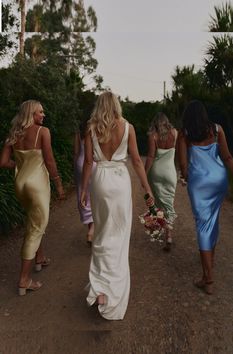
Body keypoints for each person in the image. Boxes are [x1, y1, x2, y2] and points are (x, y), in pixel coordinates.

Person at [80, 91, 153, 320]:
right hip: (120, 181)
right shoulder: (128, 127)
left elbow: (89, 162)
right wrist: (147, 189)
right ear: (117, 105)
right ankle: (110, 290)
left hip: (100, 180)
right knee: (119, 236)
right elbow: (137, 161)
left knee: (102, 235)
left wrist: (83, 189)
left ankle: (100, 288)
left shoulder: (91, 129)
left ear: (99, 106)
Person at [0, 100, 65, 295]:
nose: (43, 115)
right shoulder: (42, 132)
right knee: (37, 227)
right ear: (31, 114)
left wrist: (21, 167)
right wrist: (59, 184)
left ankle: (40, 257)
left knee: (34, 220)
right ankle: (24, 280)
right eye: (40, 112)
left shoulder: (14, 134)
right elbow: (50, 160)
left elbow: (3, 162)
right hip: (37, 185)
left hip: (20, 184)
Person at [178, 100, 233, 295]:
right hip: (219, 180)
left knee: (203, 226)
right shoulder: (217, 130)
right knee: (213, 222)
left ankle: (208, 279)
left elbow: (184, 166)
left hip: (199, 183)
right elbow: (227, 157)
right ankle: (209, 261)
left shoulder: (185, 134)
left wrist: (186, 177)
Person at [145, 112, 178, 251]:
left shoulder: (153, 135)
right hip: (170, 173)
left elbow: (151, 156)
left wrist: (144, 174)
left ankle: (163, 230)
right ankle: (169, 235)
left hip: (156, 173)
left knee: (158, 204)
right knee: (169, 203)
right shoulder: (175, 133)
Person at [74, 120, 96, 246]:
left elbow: (76, 152)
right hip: (94, 164)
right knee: (95, 196)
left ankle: (90, 230)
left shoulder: (80, 129)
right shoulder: (98, 127)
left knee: (84, 197)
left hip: (80, 164)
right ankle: (92, 230)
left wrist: (75, 169)